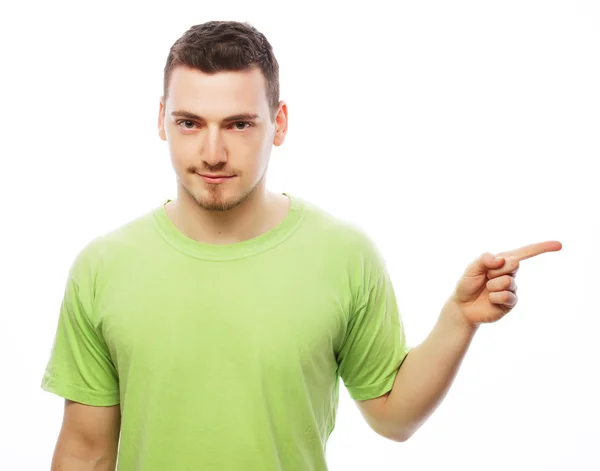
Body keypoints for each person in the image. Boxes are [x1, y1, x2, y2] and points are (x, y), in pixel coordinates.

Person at [41, 20, 562, 471]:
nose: (213, 151)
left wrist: (459, 319)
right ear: (161, 121)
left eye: (240, 124)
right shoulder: (103, 267)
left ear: (279, 124)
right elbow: (85, 453)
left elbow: (393, 418)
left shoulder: (343, 255)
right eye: (190, 123)